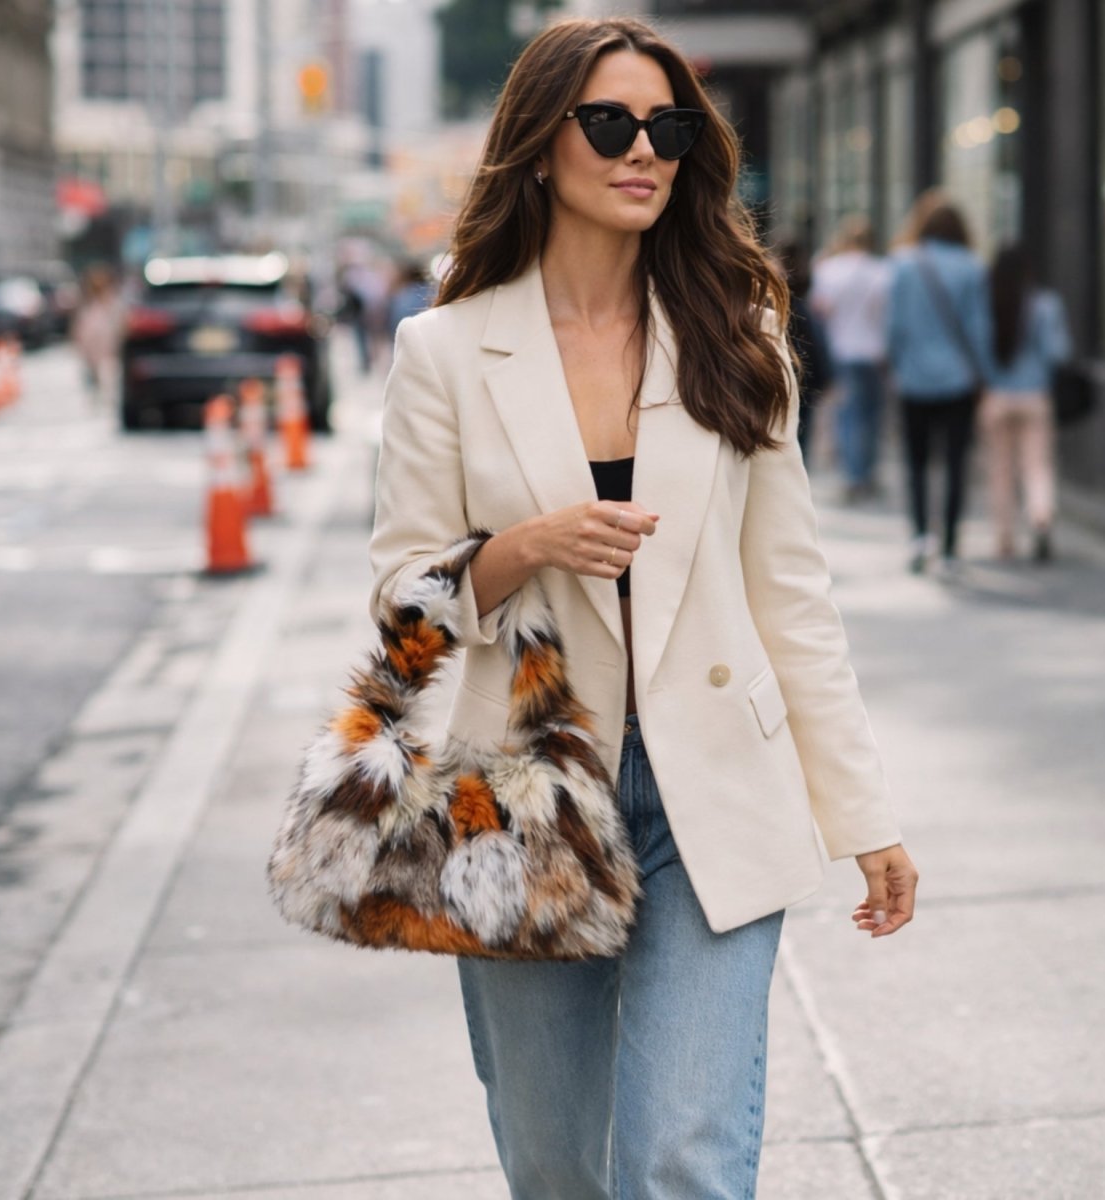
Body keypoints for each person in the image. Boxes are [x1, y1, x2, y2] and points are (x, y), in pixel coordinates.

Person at [369, 17, 917, 1198]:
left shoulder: (736, 330)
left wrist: (861, 812)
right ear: (538, 144)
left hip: (712, 786)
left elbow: (794, 594)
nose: (644, 151)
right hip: (522, 793)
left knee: (682, 1157)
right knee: (560, 1166)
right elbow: (400, 600)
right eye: (611, 123)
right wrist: (517, 549)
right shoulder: (447, 351)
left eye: (667, 127)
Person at [887, 193, 993, 576]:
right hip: (959, 381)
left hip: (913, 378)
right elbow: (980, 329)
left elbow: (894, 327)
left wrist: (896, 365)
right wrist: (986, 375)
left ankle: (919, 536)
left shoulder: (902, 264)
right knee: (955, 462)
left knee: (915, 462)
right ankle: (949, 546)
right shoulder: (972, 267)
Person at [982, 244, 1071, 562]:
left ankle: (1004, 537)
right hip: (1035, 396)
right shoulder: (1046, 305)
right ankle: (1041, 516)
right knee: (1037, 466)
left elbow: (979, 351)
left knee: (1000, 470)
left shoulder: (989, 303)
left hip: (997, 397)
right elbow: (1057, 353)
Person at [810, 215, 890, 500]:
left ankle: (853, 473)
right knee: (872, 414)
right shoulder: (883, 271)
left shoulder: (829, 270)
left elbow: (820, 311)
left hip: (841, 349)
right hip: (874, 352)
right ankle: (866, 471)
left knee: (848, 414)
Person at [776, 239, 832, 465]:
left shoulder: (778, 290)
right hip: (804, 373)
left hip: (785, 371)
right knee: (801, 436)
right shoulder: (804, 301)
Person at [71, 264, 124, 408]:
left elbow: (118, 322)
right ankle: (97, 397)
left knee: (109, 372)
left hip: (106, 342)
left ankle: (108, 398)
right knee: (93, 372)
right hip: (91, 342)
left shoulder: (111, 301)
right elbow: (79, 324)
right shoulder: (87, 302)